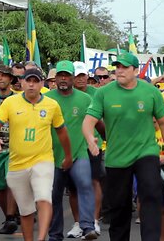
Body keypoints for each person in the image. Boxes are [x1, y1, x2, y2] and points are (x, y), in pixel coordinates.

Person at [82, 52, 164, 241]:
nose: (119, 70)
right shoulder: (104, 92)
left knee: (151, 194)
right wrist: (89, 138)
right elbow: (88, 121)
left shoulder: (150, 92)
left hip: (146, 152)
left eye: (124, 67)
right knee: (119, 207)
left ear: (135, 70)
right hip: (117, 157)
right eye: (117, 66)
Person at [0, 68, 73, 241]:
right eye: (29, 81)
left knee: (43, 197)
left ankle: (41, 238)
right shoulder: (10, 103)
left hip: (43, 160)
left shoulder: (51, 105)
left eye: (36, 81)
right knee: (26, 210)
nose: (32, 85)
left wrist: (68, 156)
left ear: (42, 84)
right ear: (22, 82)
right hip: (17, 164)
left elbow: (62, 132)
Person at [46, 61, 101, 240]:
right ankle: (55, 234)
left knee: (85, 185)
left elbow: (97, 122)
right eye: (60, 75)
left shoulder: (85, 99)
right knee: (54, 195)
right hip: (53, 155)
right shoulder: (47, 99)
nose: (63, 78)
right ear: (55, 78)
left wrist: (107, 137)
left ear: (72, 78)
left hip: (79, 153)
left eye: (67, 75)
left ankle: (87, 226)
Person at [67, 61, 103, 238]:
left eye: (83, 75)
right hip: (73, 147)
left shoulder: (96, 93)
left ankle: (94, 221)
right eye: (77, 76)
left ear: (87, 76)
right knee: (74, 188)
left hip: (93, 145)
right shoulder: (65, 95)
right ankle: (78, 223)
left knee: (93, 182)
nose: (81, 79)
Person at [0, 64, 19, 235]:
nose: (0, 78)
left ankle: (10, 217)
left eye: (4, 75)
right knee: (0, 186)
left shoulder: (17, 99)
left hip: (14, 146)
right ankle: (9, 215)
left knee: (11, 181)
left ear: (11, 79)